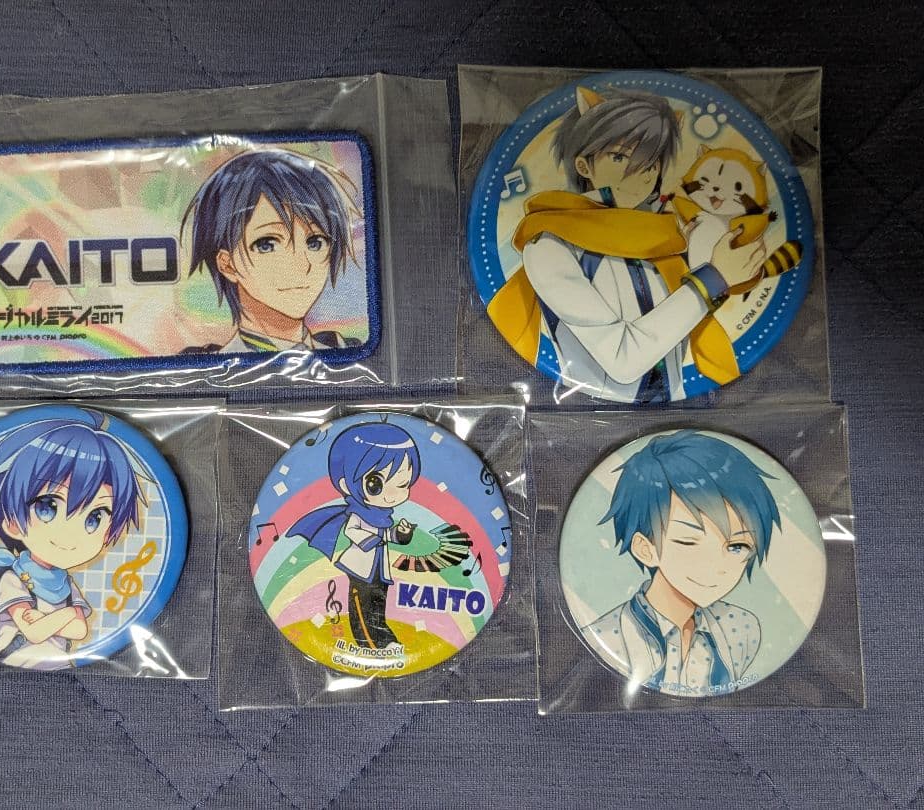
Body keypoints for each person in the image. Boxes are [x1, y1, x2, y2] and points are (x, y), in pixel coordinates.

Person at [487, 87, 768, 402]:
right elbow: (623, 360)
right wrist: (712, 280)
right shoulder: (551, 245)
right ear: (584, 166)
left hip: (685, 402)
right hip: (591, 405)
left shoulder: (664, 236)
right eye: (619, 157)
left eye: (650, 162)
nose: (640, 174)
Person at [583, 430, 781, 696]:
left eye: (737, 546)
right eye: (688, 542)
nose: (717, 567)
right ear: (645, 549)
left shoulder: (742, 629)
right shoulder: (607, 636)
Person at [0, 411, 148, 669]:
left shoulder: (65, 582)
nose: (70, 534)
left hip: (61, 665)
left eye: (94, 518)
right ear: (12, 522)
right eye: (48, 507)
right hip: (16, 661)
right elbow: (34, 632)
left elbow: (79, 630)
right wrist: (66, 615)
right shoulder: (11, 578)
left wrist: (52, 618)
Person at [181, 149, 359, 354]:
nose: (301, 265)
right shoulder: (205, 363)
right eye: (267, 245)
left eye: (315, 242)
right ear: (227, 264)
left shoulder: (345, 349)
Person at [287, 422, 420, 651]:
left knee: (378, 604)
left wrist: (402, 534)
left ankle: (384, 638)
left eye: (402, 484)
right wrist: (373, 540)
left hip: (378, 570)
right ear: (346, 484)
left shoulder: (382, 516)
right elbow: (352, 531)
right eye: (377, 483)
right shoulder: (357, 514)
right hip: (360, 568)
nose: (393, 494)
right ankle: (368, 643)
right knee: (362, 606)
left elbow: (387, 535)